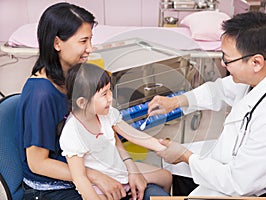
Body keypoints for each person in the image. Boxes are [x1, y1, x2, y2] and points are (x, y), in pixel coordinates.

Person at [14, 2, 167, 200]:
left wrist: (130, 167)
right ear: (57, 43)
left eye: (90, 40)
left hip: (90, 165)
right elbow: (37, 163)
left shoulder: (76, 79)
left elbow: (107, 128)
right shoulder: (41, 95)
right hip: (52, 187)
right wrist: (95, 177)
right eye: (83, 41)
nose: (90, 49)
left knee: (160, 181)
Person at [148, 11, 266, 197]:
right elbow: (219, 90)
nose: (222, 62)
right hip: (239, 155)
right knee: (176, 164)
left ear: (256, 62)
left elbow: (237, 182)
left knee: (185, 165)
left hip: (264, 185)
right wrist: (175, 102)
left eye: (227, 59)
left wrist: (186, 156)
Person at [59, 63, 171, 200]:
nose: (110, 98)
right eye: (104, 94)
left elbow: (133, 134)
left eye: (109, 91)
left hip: (120, 169)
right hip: (100, 186)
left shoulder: (106, 113)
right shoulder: (72, 132)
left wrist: (163, 147)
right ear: (82, 103)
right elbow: (80, 178)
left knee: (166, 177)